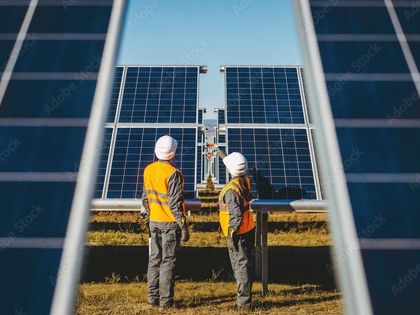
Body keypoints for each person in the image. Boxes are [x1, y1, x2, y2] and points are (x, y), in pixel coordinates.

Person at [142, 135, 190, 309]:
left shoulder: (148, 170)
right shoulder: (173, 174)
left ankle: (152, 298)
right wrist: (183, 226)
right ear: (173, 152)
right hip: (169, 224)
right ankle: (166, 302)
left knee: (154, 259)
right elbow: (175, 204)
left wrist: (148, 214)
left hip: (153, 221)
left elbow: (145, 198)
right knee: (167, 262)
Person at [218, 151, 256, 311]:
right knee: (244, 264)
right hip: (247, 229)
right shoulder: (244, 181)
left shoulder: (231, 190)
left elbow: (235, 215)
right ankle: (244, 299)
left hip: (237, 234)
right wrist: (223, 155)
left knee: (241, 266)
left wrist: (232, 232)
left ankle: (244, 304)